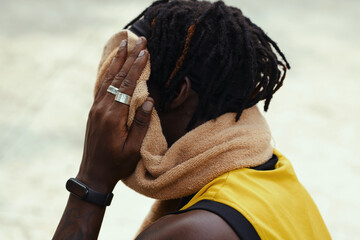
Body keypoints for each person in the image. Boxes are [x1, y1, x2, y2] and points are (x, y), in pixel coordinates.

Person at [53, 0, 331, 239]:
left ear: (177, 93)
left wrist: (93, 180)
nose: (107, 109)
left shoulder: (191, 233)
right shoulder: (270, 174)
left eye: (126, 86)